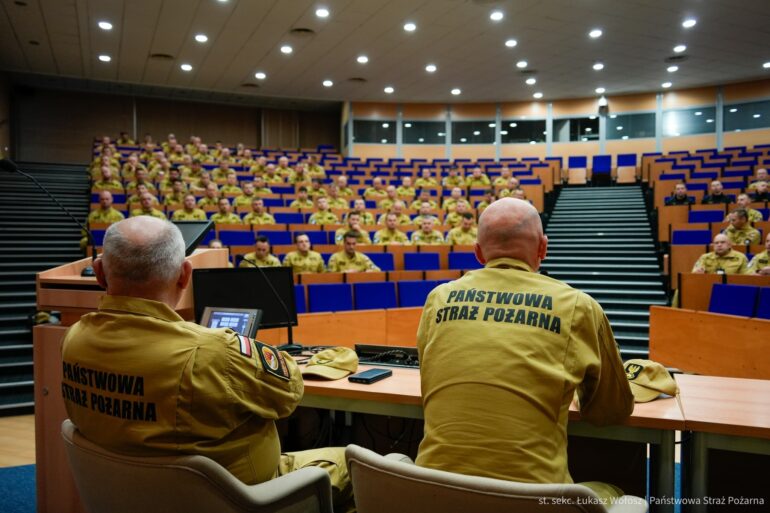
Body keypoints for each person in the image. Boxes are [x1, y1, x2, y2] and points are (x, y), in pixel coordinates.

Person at [61, 217, 351, 507]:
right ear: (184, 275)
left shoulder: (74, 340)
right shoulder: (215, 352)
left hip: (127, 496)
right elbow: (290, 392)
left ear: (99, 274)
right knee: (354, 465)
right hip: (242, 497)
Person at [415, 197, 634, 500]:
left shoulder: (438, 298)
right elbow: (609, 412)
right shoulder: (578, 306)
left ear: (478, 253)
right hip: (534, 502)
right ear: (543, 248)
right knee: (617, 493)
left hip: (431, 496)